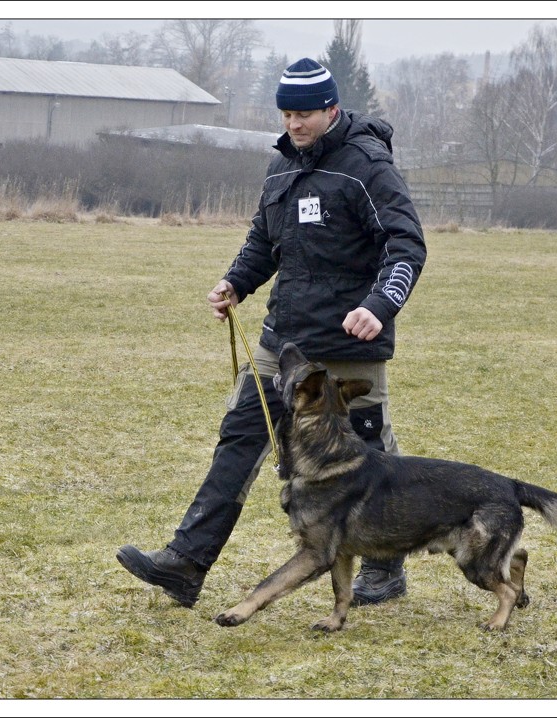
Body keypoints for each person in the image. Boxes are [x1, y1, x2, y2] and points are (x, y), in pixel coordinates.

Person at [117, 58, 426, 609]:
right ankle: (186, 563)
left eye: (304, 112)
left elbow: (405, 246)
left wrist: (379, 305)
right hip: (281, 342)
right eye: (286, 112)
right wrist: (236, 281)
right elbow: (265, 240)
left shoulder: (367, 166)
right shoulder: (282, 167)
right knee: (240, 438)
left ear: (332, 108)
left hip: (348, 347)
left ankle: (385, 564)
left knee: (368, 455)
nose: (293, 123)